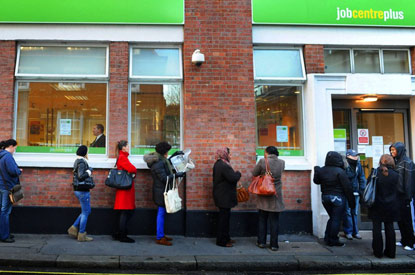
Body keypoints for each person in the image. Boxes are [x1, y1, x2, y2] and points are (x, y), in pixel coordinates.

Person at [144, 142, 184, 246]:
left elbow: (166, 163)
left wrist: (174, 155)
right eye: (168, 151)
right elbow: (163, 178)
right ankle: (159, 237)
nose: (168, 153)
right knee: (161, 214)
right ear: (164, 152)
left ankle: (161, 234)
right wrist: (177, 175)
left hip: (161, 190)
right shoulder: (158, 163)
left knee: (162, 213)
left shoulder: (160, 159)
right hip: (161, 191)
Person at [313, 151, 355, 247]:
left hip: (325, 197)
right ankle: (333, 240)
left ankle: (327, 238)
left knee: (332, 218)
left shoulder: (322, 170)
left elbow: (316, 181)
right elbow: (347, 188)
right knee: (336, 219)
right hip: (338, 198)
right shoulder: (340, 171)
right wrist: (352, 203)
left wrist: (316, 171)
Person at [368, 154, 403, 258]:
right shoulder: (396, 174)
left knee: (376, 228)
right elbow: (400, 190)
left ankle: (378, 252)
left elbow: (368, 186)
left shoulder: (375, 172)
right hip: (391, 205)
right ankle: (391, 252)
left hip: (377, 204)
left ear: (380, 161)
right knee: (390, 228)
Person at [252, 146, 285, 252]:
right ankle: (274, 244)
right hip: (275, 195)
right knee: (274, 221)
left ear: (267, 152)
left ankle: (261, 242)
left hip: (264, 194)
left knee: (262, 219)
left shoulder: (262, 161)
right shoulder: (282, 162)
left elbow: (254, 173)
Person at [212, 147, 241, 247]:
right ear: (224, 154)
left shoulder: (219, 163)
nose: (230, 155)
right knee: (224, 220)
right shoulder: (224, 165)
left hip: (221, 195)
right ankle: (222, 241)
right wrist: (238, 173)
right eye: (229, 153)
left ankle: (226, 237)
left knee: (224, 218)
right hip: (224, 196)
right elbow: (233, 178)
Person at [390, 142, 415, 251]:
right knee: (400, 220)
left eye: (394, 150)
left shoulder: (407, 162)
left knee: (407, 220)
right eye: (391, 150)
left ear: (399, 150)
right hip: (397, 195)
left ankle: (411, 242)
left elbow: (409, 181)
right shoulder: (396, 161)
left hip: (405, 196)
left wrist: (408, 197)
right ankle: (404, 239)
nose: (392, 152)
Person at [67, 145, 94, 242]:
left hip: (78, 189)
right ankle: (81, 234)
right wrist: (89, 171)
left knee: (86, 211)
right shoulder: (82, 162)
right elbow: (80, 176)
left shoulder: (77, 160)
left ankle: (73, 228)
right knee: (86, 212)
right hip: (83, 190)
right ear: (85, 152)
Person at [112, 140, 137, 243]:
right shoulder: (123, 158)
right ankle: (122, 235)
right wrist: (134, 171)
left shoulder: (122, 157)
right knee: (125, 212)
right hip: (125, 190)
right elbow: (133, 169)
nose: (128, 147)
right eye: (127, 146)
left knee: (124, 212)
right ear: (123, 148)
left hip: (124, 189)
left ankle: (119, 233)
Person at [0, 139, 22, 243]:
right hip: (7, 187)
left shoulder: (1, 155)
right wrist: (19, 170)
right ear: (11, 146)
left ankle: (4, 233)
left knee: (2, 210)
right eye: (15, 148)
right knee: (5, 211)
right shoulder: (8, 156)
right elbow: (13, 171)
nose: (15, 150)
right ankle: (4, 236)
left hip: (1, 186)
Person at [342, 149, 366, 240]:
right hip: (347, 192)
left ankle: (355, 232)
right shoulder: (344, 165)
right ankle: (348, 231)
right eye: (353, 155)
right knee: (347, 212)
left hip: (355, 192)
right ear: (348, 156)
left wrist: (362, 190)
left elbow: (362, 177)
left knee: (354, 212)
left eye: (356, 155)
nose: (356, 157)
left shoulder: (358, 165)